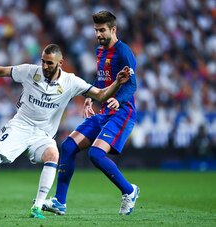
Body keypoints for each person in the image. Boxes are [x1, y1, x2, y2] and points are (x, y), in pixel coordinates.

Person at [0, 44, 132, 219]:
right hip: (19, 127)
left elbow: (101, 96)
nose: (45, 66)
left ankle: (37, 207)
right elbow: (2, 70)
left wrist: (117, 84)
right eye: (44, 62)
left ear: (60, 63)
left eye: (50, 63)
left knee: (53, 153)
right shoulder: (30, 72)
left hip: (42, 136)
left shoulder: (71, 82)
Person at [42, 11, 139, 216]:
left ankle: (129, 191)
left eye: (102, 30)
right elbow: (102, 79)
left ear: (113, 29)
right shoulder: (100, 51)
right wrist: (91, 95)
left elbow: (132, 85)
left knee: (96, 154)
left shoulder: (124, 52)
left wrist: (118, 99)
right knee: (68, 146)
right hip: (104, 111)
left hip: (122, 112)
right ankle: (60, 202)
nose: (98, 34)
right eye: (96, 30)